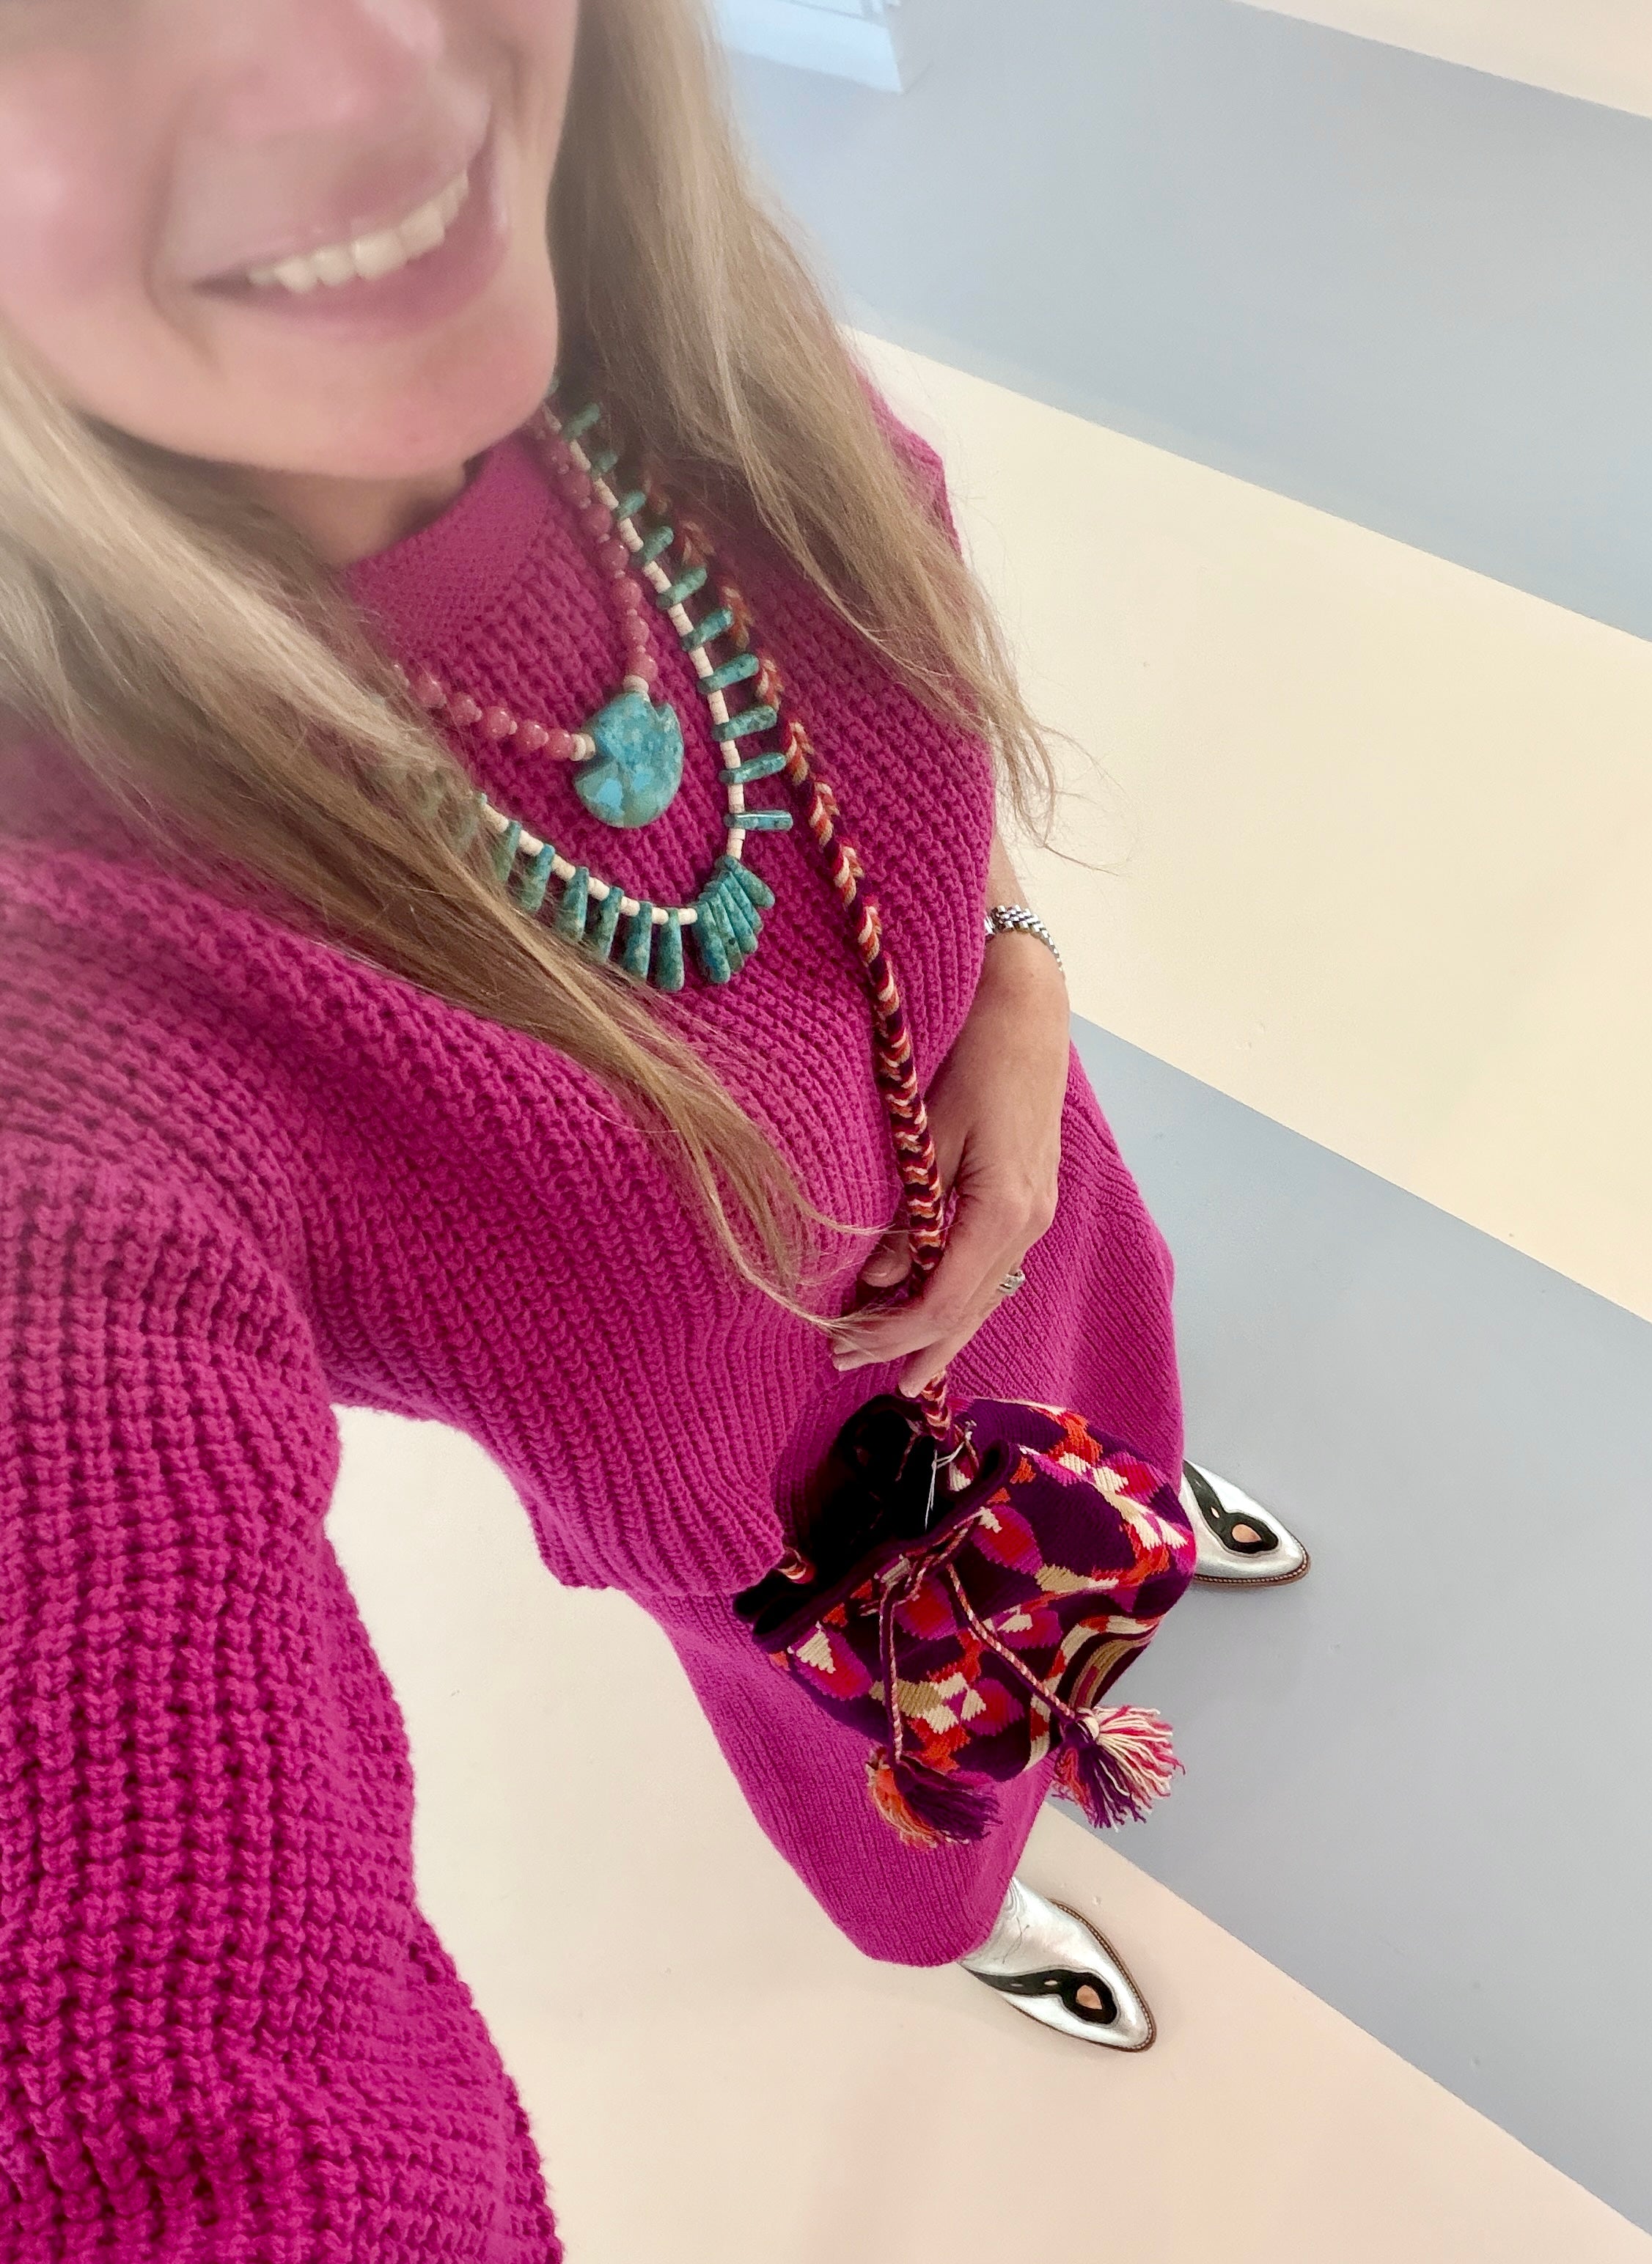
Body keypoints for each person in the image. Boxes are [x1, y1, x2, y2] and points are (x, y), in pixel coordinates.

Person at [0, 0, 1307, 2252]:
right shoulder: (73, 970)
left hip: (1032, 1201)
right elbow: (151, 2047)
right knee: (917, 1777)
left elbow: (880, 711)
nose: (358, 71)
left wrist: (1007, 964)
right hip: (789, 1511)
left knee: (1112, 1405)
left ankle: (1129, 1510)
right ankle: (965, 1905)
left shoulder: (655, 322)